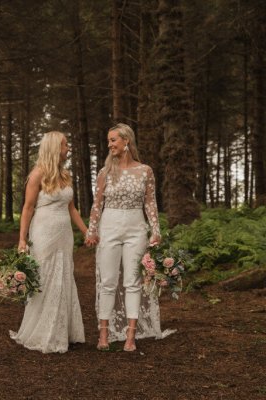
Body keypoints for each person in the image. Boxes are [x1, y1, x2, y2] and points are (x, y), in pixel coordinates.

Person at [86, 123, 172, 352]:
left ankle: (130, 336)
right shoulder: (105, 172)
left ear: (126, 141)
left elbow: (150, 202)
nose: (110, 145)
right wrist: (92, 230)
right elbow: (97, 204)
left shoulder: (145, 171)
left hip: (136, 227)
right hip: (110, 226)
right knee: (108, 281)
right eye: (108, 141)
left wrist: (156, 230)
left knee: (133, 281)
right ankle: (103, 333)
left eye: (113, 140)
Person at [10, 131, 87, 353]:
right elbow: (27, 208)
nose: (68, 148)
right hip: (44, 232)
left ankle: (62, 330)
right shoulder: (37, 175)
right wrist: (22, 239)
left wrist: (86, 231)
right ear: (55, 148)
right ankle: (44, 332)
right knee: (46, 277)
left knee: (63, 276)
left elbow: (71, 208)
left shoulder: (65, 175)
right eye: (65, 144)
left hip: (64, 234)